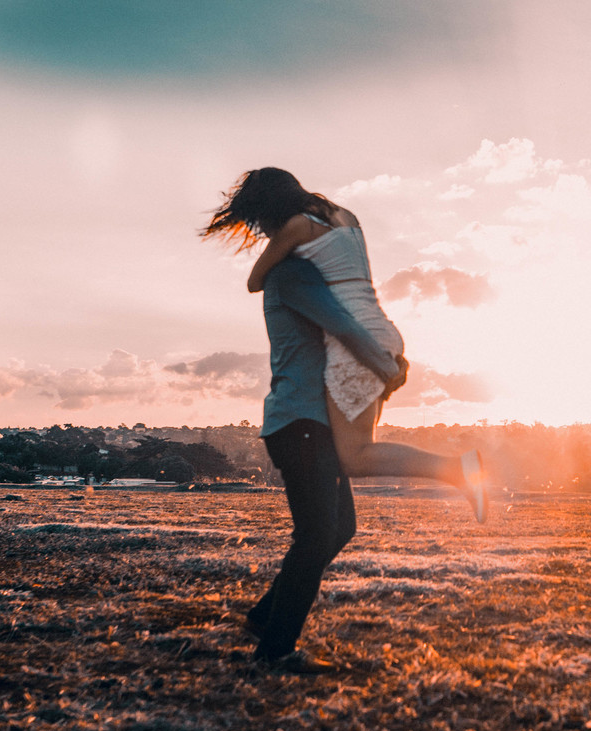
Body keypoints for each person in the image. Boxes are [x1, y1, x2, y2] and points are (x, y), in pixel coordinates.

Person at [200, 169, 485, 674]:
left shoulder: (300, 266)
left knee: (337, 529)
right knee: (316, 536)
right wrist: (388, 366)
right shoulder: (294, 275)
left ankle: (266, 619)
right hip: (301, 422)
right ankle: (275, 650)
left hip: (311, 423)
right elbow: (346, 325)